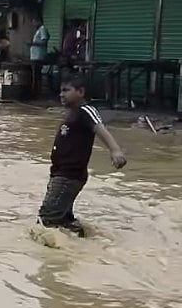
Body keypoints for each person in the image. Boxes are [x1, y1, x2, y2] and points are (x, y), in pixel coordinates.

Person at [38, 76, 126, 237]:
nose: (61, 94)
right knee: (62, 222)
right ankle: (77, 250)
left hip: (68, 175)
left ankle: (58, 255)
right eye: (60, 91)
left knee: (46, 222)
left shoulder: (86, 111)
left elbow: (101, 129)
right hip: (60, 173)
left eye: (66, 90)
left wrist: (115, 150)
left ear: (81, 92)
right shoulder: (73, 113)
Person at [30, 16, 49, 98]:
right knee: (35, 74)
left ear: (38, 21)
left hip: (39, 56)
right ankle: (35, 92)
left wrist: (33, 44)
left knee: (37, 75)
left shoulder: (42, 29)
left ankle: (37, 93)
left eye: (34, 21)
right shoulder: (38, 30)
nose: (33, 24)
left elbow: (44, 42)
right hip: (35, 56)